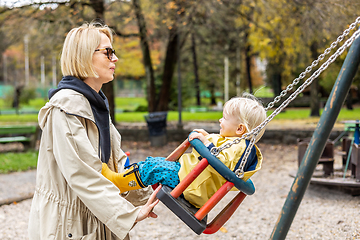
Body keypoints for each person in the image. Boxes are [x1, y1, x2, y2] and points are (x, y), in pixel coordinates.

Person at [28, 22, 160, 240]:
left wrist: (152, 190)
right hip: (69, 225)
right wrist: (129, 214)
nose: (115, 59)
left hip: (95, 215)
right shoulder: (65, 107)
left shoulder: (94, 104)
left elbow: (114, 167)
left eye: (113, 52)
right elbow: (83, 174)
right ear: (83, 56)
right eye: (108, 52)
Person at [102, 94, 266, 208]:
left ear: (239, 128)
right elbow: (220, 151)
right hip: (188, 178)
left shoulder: (241, 149)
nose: (220, 120)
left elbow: (223, 164)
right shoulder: (235, 143)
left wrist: (205, 143)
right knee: (153, 163)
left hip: (189, 185)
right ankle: (125, 179)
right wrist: (207, 137)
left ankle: (119, 183)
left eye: (224, 118)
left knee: (153, 167)